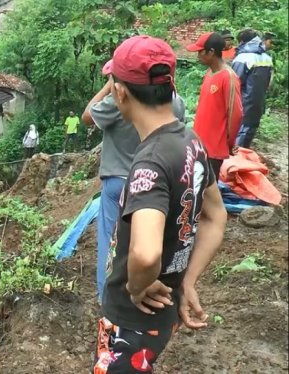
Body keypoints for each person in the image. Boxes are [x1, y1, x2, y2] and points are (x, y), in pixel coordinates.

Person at [93, 35, 228, 374]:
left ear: (120, 92)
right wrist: (187, 281)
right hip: (163, 313)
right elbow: (215, 216)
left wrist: (137, 285)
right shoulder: (190, 139)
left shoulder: (149, 164)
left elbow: (146, 253)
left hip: (132, 320)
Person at [82, 60, 186, 302]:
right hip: (156, 181)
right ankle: (154, 289)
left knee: (111, 242)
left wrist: (109, 87)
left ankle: (107, 299)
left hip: (118, 181)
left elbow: (87, 116)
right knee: (150, 239)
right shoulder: (175, 103)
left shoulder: (116, 105)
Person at [187, 32, 243, 175]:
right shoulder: (209, 74)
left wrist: (229, 143)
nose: (198, 55)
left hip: (213, 148)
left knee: (207, 189)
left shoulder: (228, 77)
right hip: (199, 143)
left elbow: (235, 114)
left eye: (200, 51)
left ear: (211, 52)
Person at [232, 29, 273, 148]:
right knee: (249, 131)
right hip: (259, 102)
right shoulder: (267, 58)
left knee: (239, 132)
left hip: (242, 103)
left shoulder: (243, 58)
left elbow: (234, 82)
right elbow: (268, 83)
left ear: (242, 41)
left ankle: (235, 161)